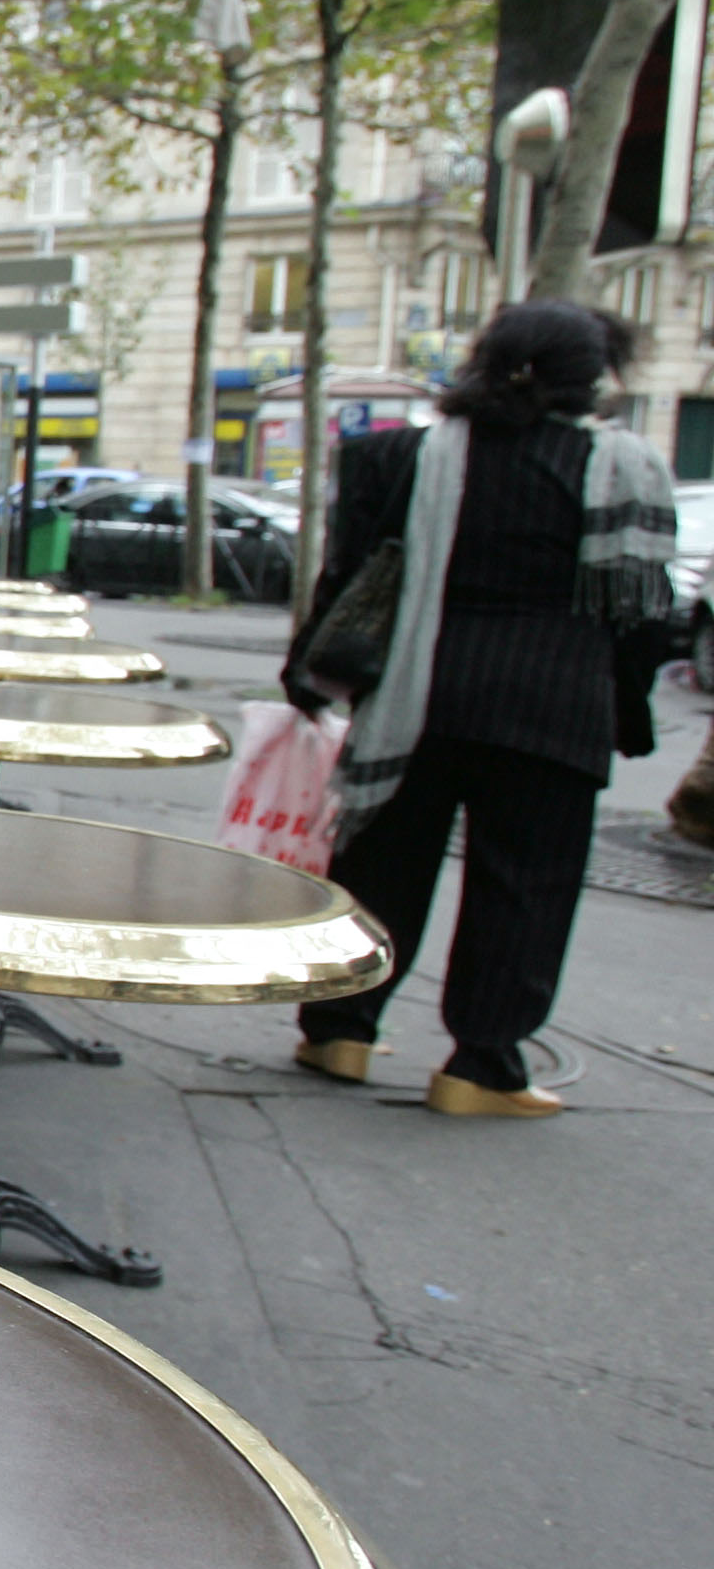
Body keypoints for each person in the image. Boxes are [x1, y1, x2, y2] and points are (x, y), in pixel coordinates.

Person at [286, 301, 682, 1118]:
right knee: (525, 886)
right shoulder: (623, 467)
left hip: (417, 695)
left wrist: (308, 669)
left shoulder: (403, 456)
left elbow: (349, 577)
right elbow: (640, 611)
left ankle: (340, 1030)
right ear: (592, 376)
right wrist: (629, 708)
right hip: (553, 703)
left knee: (382, 864)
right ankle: (481, 1064)